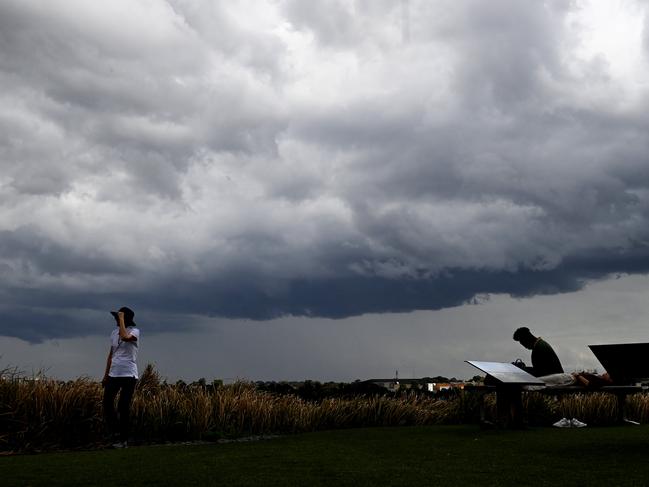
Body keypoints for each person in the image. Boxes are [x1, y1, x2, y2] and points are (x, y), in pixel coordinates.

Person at [102, 306, 140, 448]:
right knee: (107, 403)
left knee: (123, 406)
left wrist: (122, 319)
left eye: (117, 317)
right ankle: (117, 432)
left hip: (129, 374)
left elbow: (125, 337)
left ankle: (123, 441)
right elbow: (111, 355)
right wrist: (106, 375)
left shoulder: (135, 331)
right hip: (114, 374)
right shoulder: (113, 333)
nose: (116, 320)